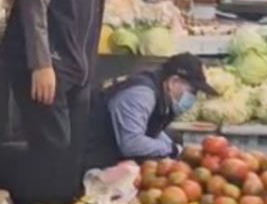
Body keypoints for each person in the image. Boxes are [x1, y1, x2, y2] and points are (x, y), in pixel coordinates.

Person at [2, 0, 150, 204]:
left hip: (75, 63)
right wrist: (40, 64)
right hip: (42, 61)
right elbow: (33, 3)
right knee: (53, 146)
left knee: (75, 148)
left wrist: (87, 69)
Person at [84, 53, 216, 170]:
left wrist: (176, 149)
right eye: (192, 91)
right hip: (92, 156)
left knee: (173, 137)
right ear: (173, 81)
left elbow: (153, 131)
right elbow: (132, 143)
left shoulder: (160, 93)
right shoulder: (142, 95)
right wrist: (172, 149)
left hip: (112, 150)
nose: (193, 98)